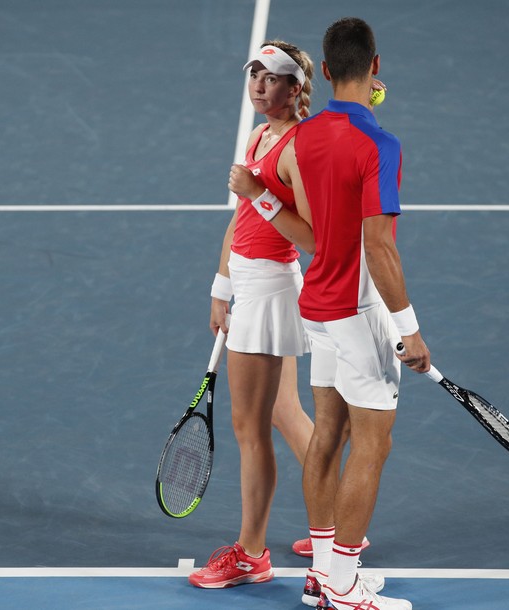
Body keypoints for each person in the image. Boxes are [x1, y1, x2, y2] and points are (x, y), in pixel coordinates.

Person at [288, 17, 431, 610]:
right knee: (373, 444)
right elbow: (379, 246)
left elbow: (311, 233)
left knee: (328, 434)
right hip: (358, 310)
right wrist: (410, 330)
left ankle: (322, 572)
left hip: (316, 305)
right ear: (376, 66)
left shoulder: (302, 138)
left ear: (323, 72)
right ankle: (345, 584)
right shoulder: (381, 144)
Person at [187, 39, 317, 590]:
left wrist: (261, 194)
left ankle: (252, 554)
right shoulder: (261, 133)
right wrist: (221, 286)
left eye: (273, 77)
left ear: (296, 88)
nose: (260, 84)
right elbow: (240, 222)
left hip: (269, 290)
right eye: (254, 74)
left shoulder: (296, 148)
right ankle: (338, 527)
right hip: (248, 281)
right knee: (285, 410)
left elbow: (313, 238)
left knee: (249, 429)